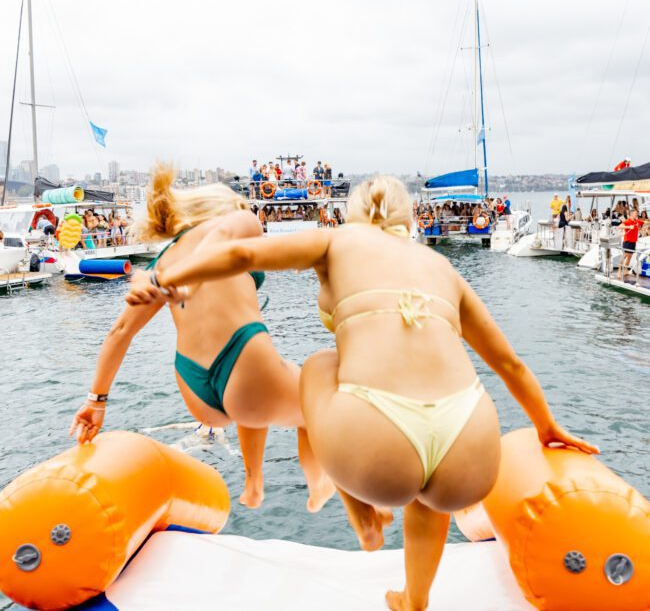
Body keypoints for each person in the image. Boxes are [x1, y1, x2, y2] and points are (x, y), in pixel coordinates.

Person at [143, 175, 597, 611]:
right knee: (429, 494)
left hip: (375, 446)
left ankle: (363, 514)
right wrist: (547, 426)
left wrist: (168, 278)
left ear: (352, 215)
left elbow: (241, 253)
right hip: (470, 444)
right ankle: (415, 599)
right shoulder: (442, 267)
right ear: (411, 220)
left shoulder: (336, 240)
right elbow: (510, 364)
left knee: (320, 364)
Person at [70, 165, 333, 512]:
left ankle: (253, 483)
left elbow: (120, 332)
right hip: (245, 360)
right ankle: (319, 486)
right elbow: (222, 237)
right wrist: (186, 278)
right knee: (315, 396)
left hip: (195, 386)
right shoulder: (240, 222)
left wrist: (97, 400)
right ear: (222, 207)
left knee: (252, 405)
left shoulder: (162, 263)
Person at [617, 209, 650, 280]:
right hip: (627, 242)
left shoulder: (636, 221)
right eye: (635, 213)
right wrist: (629, 227)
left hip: (633, 242)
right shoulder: (628, 221)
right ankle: (619, 271)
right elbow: (619, 226)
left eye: (637, 213)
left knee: (629, 257)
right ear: (631, 214)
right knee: (625, 256)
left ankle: (625, 270)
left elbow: (645, 222)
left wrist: (648, 222)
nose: (637, 214)